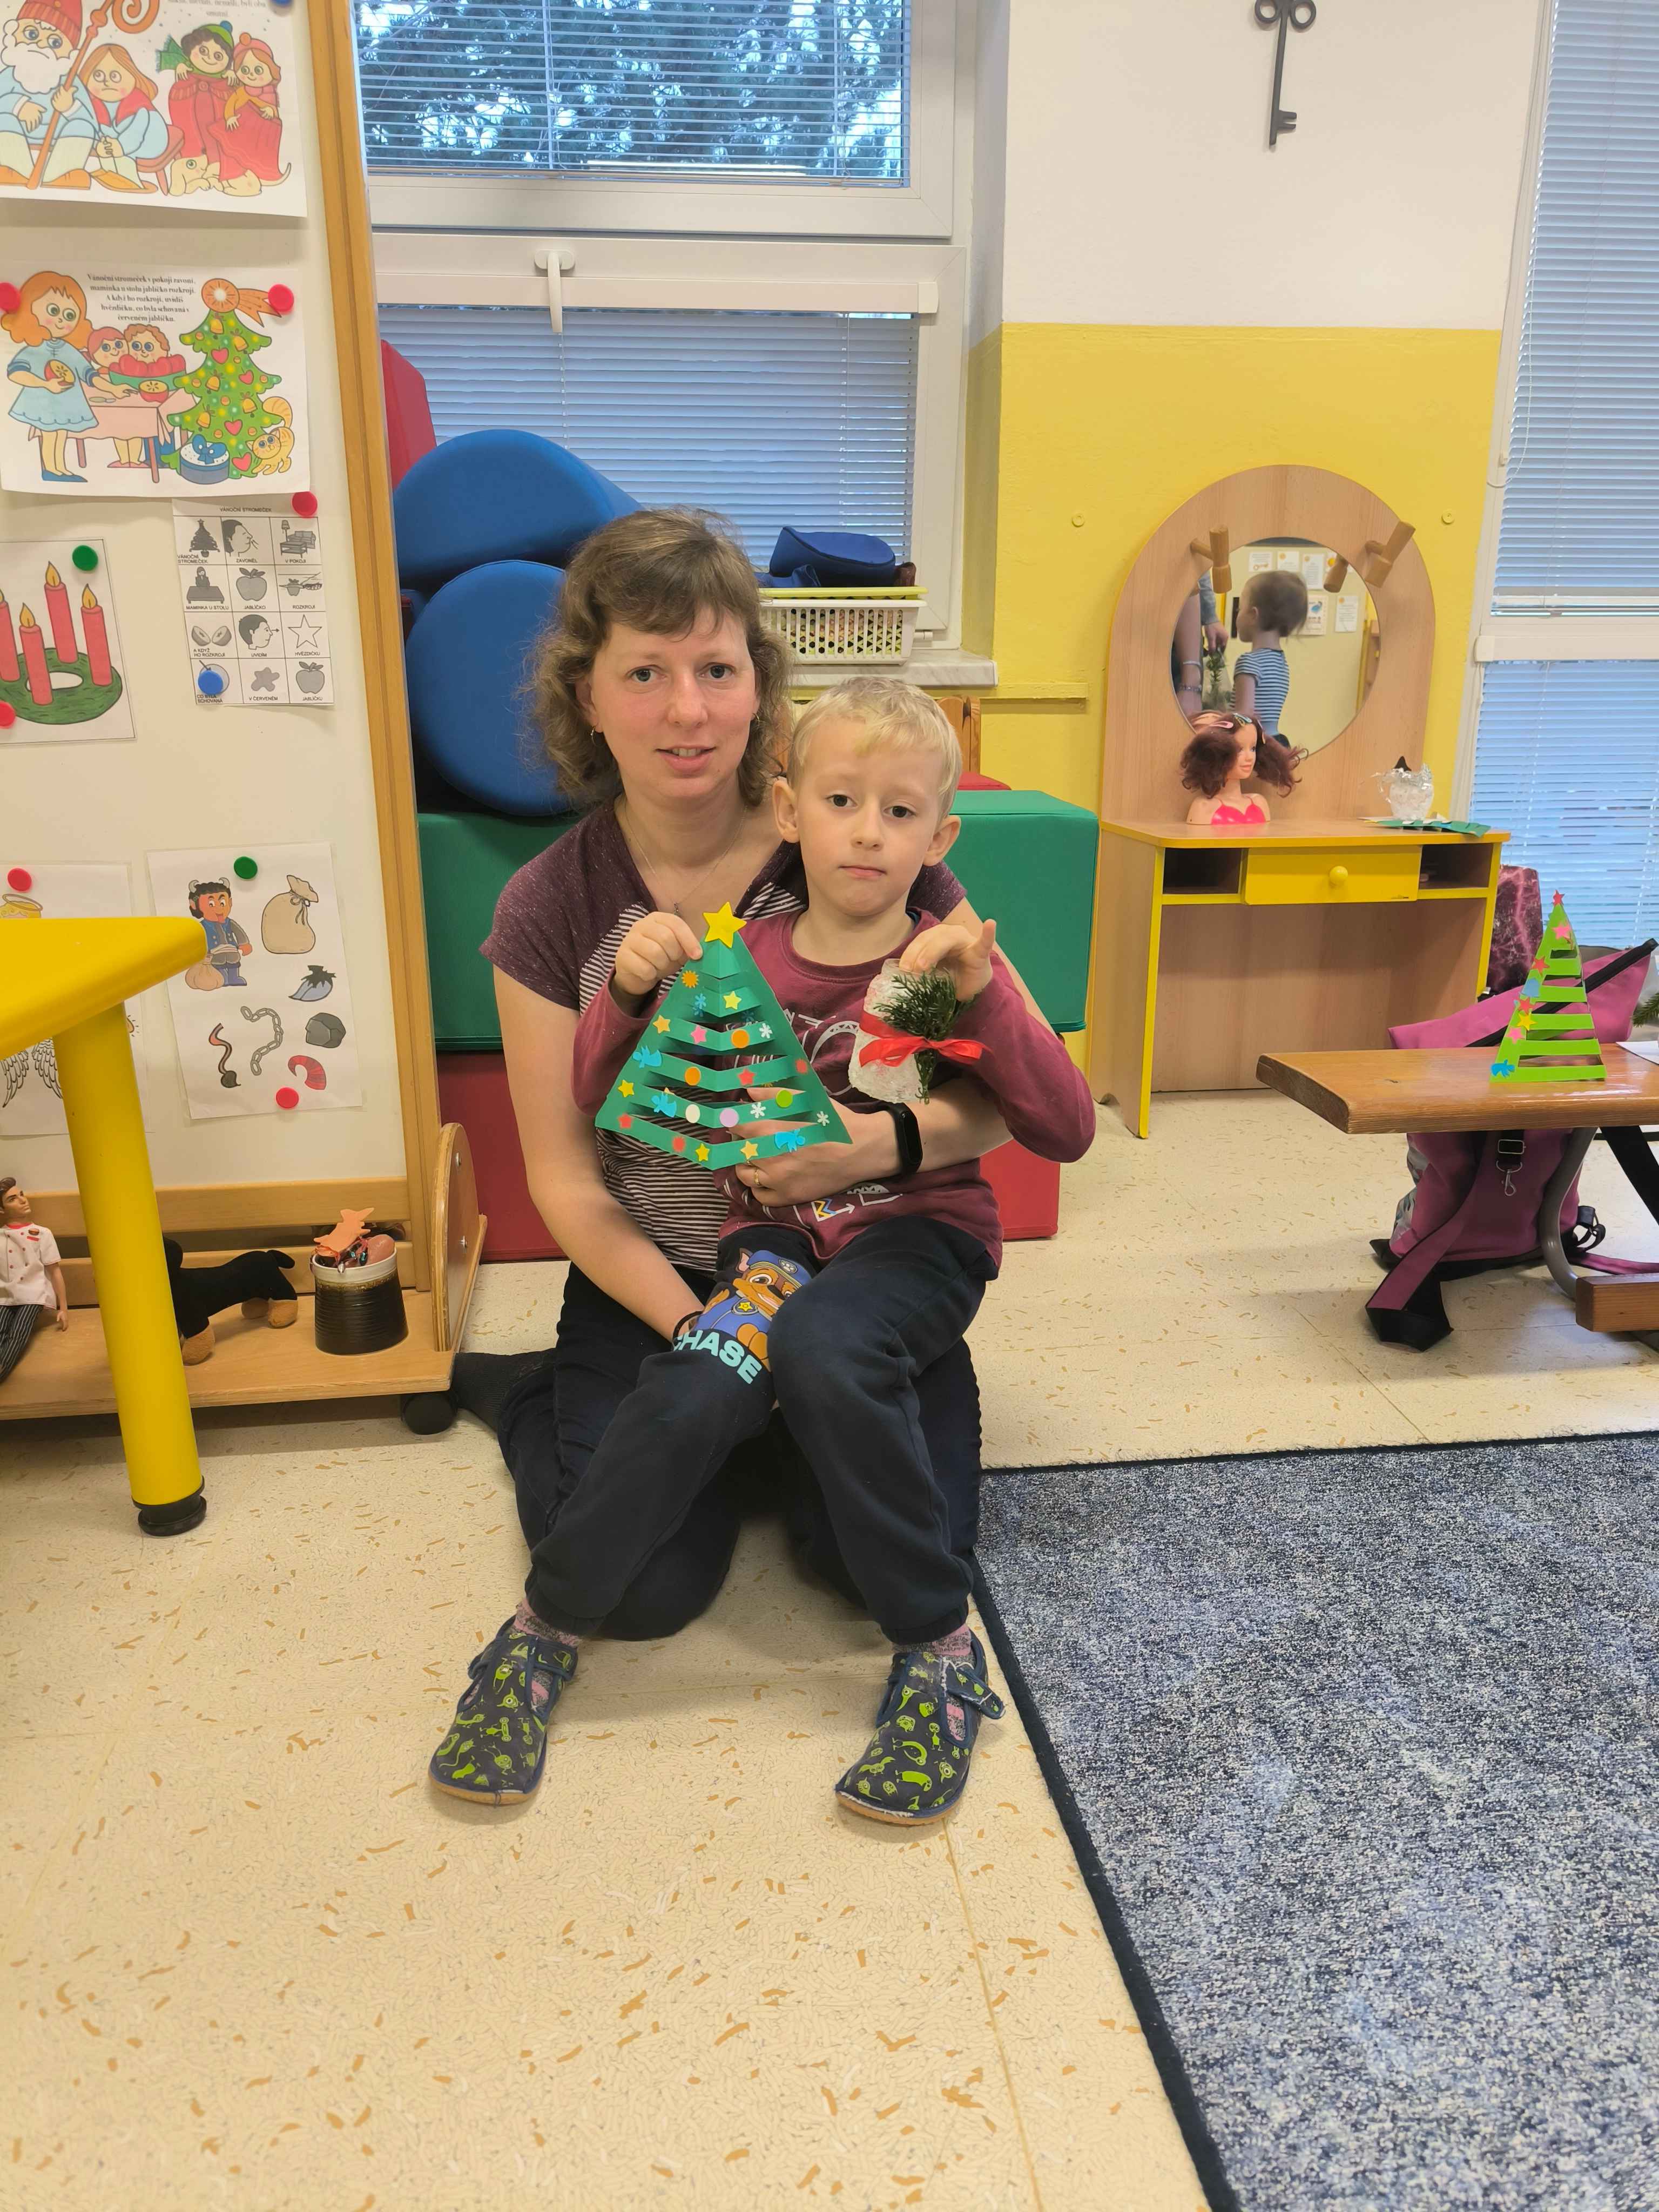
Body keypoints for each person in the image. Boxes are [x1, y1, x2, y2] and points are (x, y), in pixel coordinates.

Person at [429, 678, 1097, 1822]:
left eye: (900, 812)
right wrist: (628, 993)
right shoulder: (747, 957)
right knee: (703, 1374)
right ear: (790, 812)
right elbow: (601, 1093)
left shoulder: (940, 962)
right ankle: (539, 1633)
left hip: (912, 1246)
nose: (868, 833)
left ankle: (941, 1652)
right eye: (841, 801)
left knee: (830, 1357)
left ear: (940, 838)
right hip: (769, 1251)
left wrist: (990, 1005)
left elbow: (1065, 1126)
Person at [416, 507, 1030, 1645]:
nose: (687, 710)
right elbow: (565, 1178)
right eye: (644, 673)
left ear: (759, 685)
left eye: (715, 668)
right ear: (588, 696)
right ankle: (540, 1392)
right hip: (661, 1278)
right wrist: (710, 1330)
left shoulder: (855, 840)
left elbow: (997, 1098)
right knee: (639, 1590)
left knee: (886, 1568)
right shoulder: (550, 904)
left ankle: (767, 1430)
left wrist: (872, 1149)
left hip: (850, 1276)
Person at [2, 269, 97, 484]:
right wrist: (45, 384)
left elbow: (88, 373)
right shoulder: (35, 347)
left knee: (61, 433)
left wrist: (112, 388)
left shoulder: (69, 349)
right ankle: (50, 469)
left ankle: (60, 468)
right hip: (43, 402)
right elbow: (16, 373)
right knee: (49, 433)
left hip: (67, 401)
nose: (61, 320)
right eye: (53, 311)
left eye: (70, 315)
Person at [0, 0, 98, 190]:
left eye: (55, 42)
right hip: (15, 141)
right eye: (32, 34)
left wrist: (70, 108)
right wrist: (18, 106)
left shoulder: (71, 82)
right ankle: (18, 170)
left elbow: (92, 124)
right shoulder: (9, 76)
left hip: (59, 142)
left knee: (83, 127)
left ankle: (59, 175)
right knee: (3, 119)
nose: (40, 45)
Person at [0, 1176, 68, 1388]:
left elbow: (55, 1272)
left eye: (21, 1195)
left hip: (33, 1295)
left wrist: (63, 1308)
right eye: (12, 1199)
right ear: (2, 1210)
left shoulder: (42, 1234)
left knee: (19, 1333)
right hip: (4, 1295)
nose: (22, 1200)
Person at [1179, 710, 1303, 826]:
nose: (1249, 757)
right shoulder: (1204, 808)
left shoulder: (1259, 803)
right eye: (1239, 749)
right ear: (1218, 751)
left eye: (1253, 748)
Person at [1230, 569, 1309, 741]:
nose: (1237, 615)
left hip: (1255, 743)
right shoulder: (1281, 663)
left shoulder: (1249, 662)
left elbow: (1244, 718)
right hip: (1276, 742)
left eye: (1240, 608)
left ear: (1253, 615)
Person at [78, 42, 166, 193]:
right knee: (108, 150)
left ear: (132, 76)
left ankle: (132, 182)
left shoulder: (137, 103)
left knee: (124, 154)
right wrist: (98, 144)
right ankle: (112, 175)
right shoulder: (93, 104)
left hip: (150, 141)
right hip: (116, 141)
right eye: (98, 75)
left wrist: (121, 147)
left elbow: (136, 133)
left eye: (115, 76)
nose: (106, 82)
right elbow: (91, 129)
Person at [215, 32, 285, 194]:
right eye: (245, 70)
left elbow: (272, 109)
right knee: (232, 151)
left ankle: (261, 176)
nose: (251, 75)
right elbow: (231, 104)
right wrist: (229, 117)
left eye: (258, 70)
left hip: (259, 131)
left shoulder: (270, 92)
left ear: (271, 70)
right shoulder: (242, 90)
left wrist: (271, 110)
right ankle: (238, 177)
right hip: (240, 127)